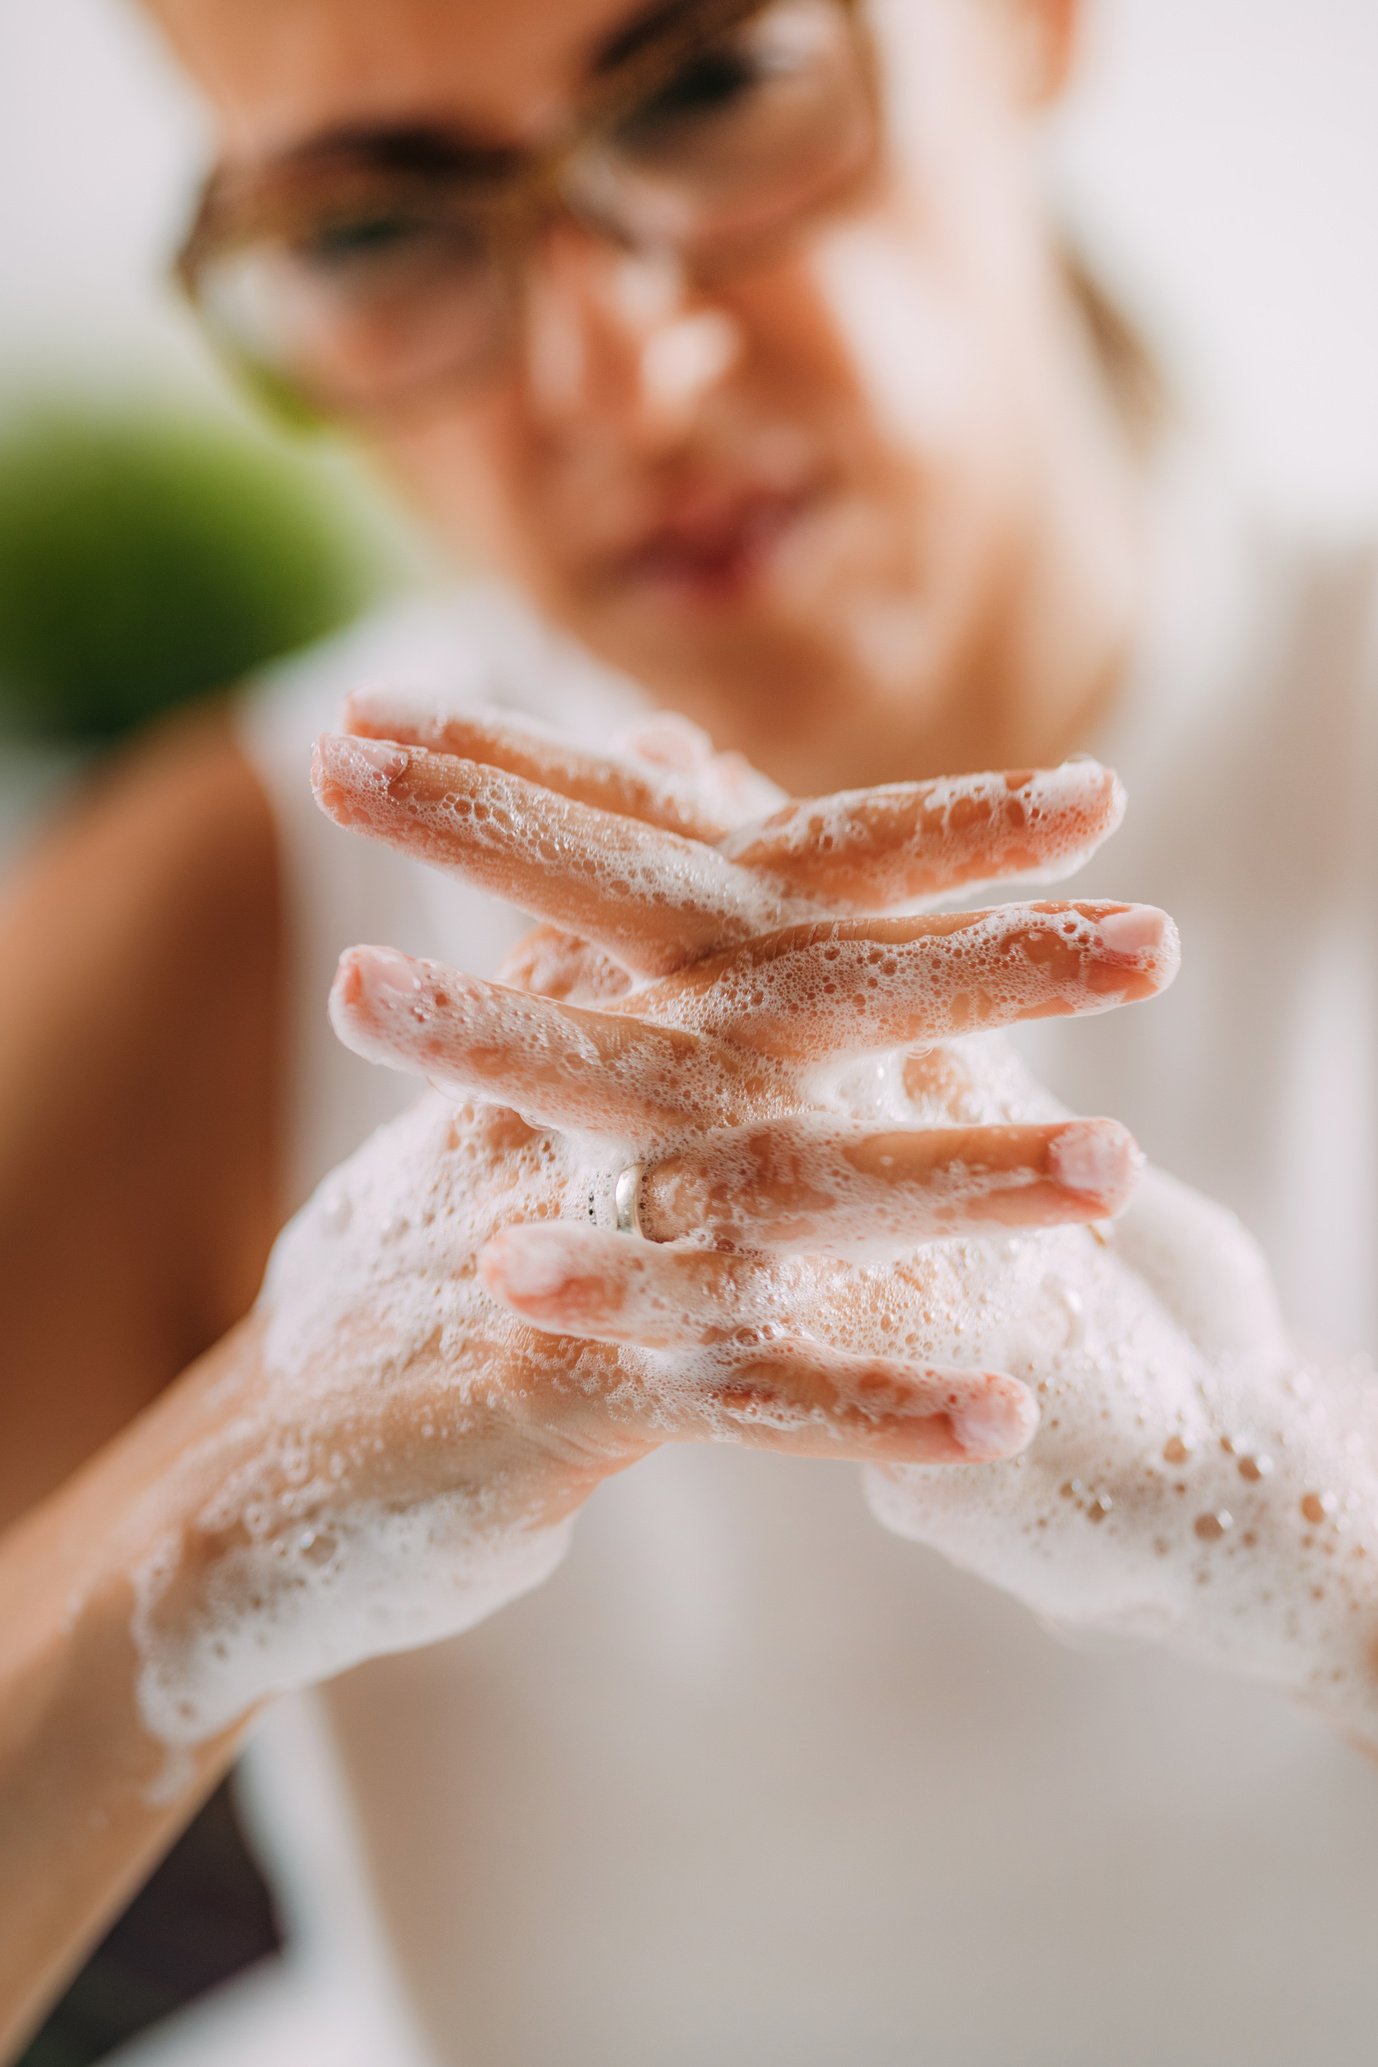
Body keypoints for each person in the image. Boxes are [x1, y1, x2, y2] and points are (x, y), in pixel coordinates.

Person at [1, 0, 1376, 2061]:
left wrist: (1307, 1527)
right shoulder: (204, 934)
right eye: (376, 232)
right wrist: (220, 1508)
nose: (606, 371)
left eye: (715, 89)